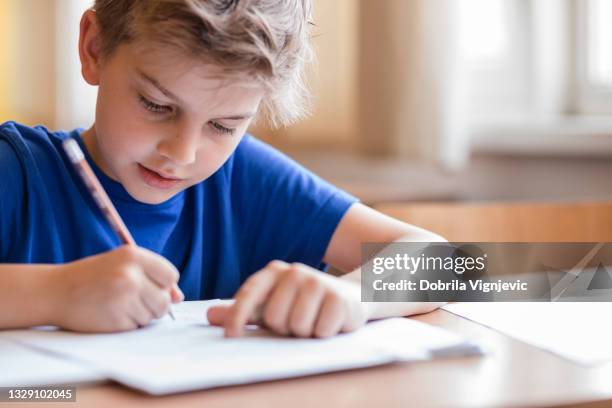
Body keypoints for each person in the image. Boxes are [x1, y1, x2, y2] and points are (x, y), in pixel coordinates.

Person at [0, 0, 443, 337]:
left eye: (224, 125)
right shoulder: (15, 170)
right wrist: (54, 293)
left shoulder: (242, 180)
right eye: (156, 105)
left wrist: (352, 296)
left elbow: (448, 263)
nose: (183, 153)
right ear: (95, 48)